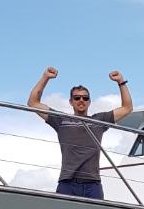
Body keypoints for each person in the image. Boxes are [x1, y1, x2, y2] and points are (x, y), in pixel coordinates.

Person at [28, 66, 133, 199]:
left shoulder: (99, 120)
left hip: (93, 184)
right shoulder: (60, 120)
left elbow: (127, 108)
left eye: (84, 97)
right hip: (67, 183)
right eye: (77, 98)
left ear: (89, 101)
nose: (81, 100)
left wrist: (121, 82)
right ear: (71, 102)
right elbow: (33, 103)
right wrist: (45, 77)